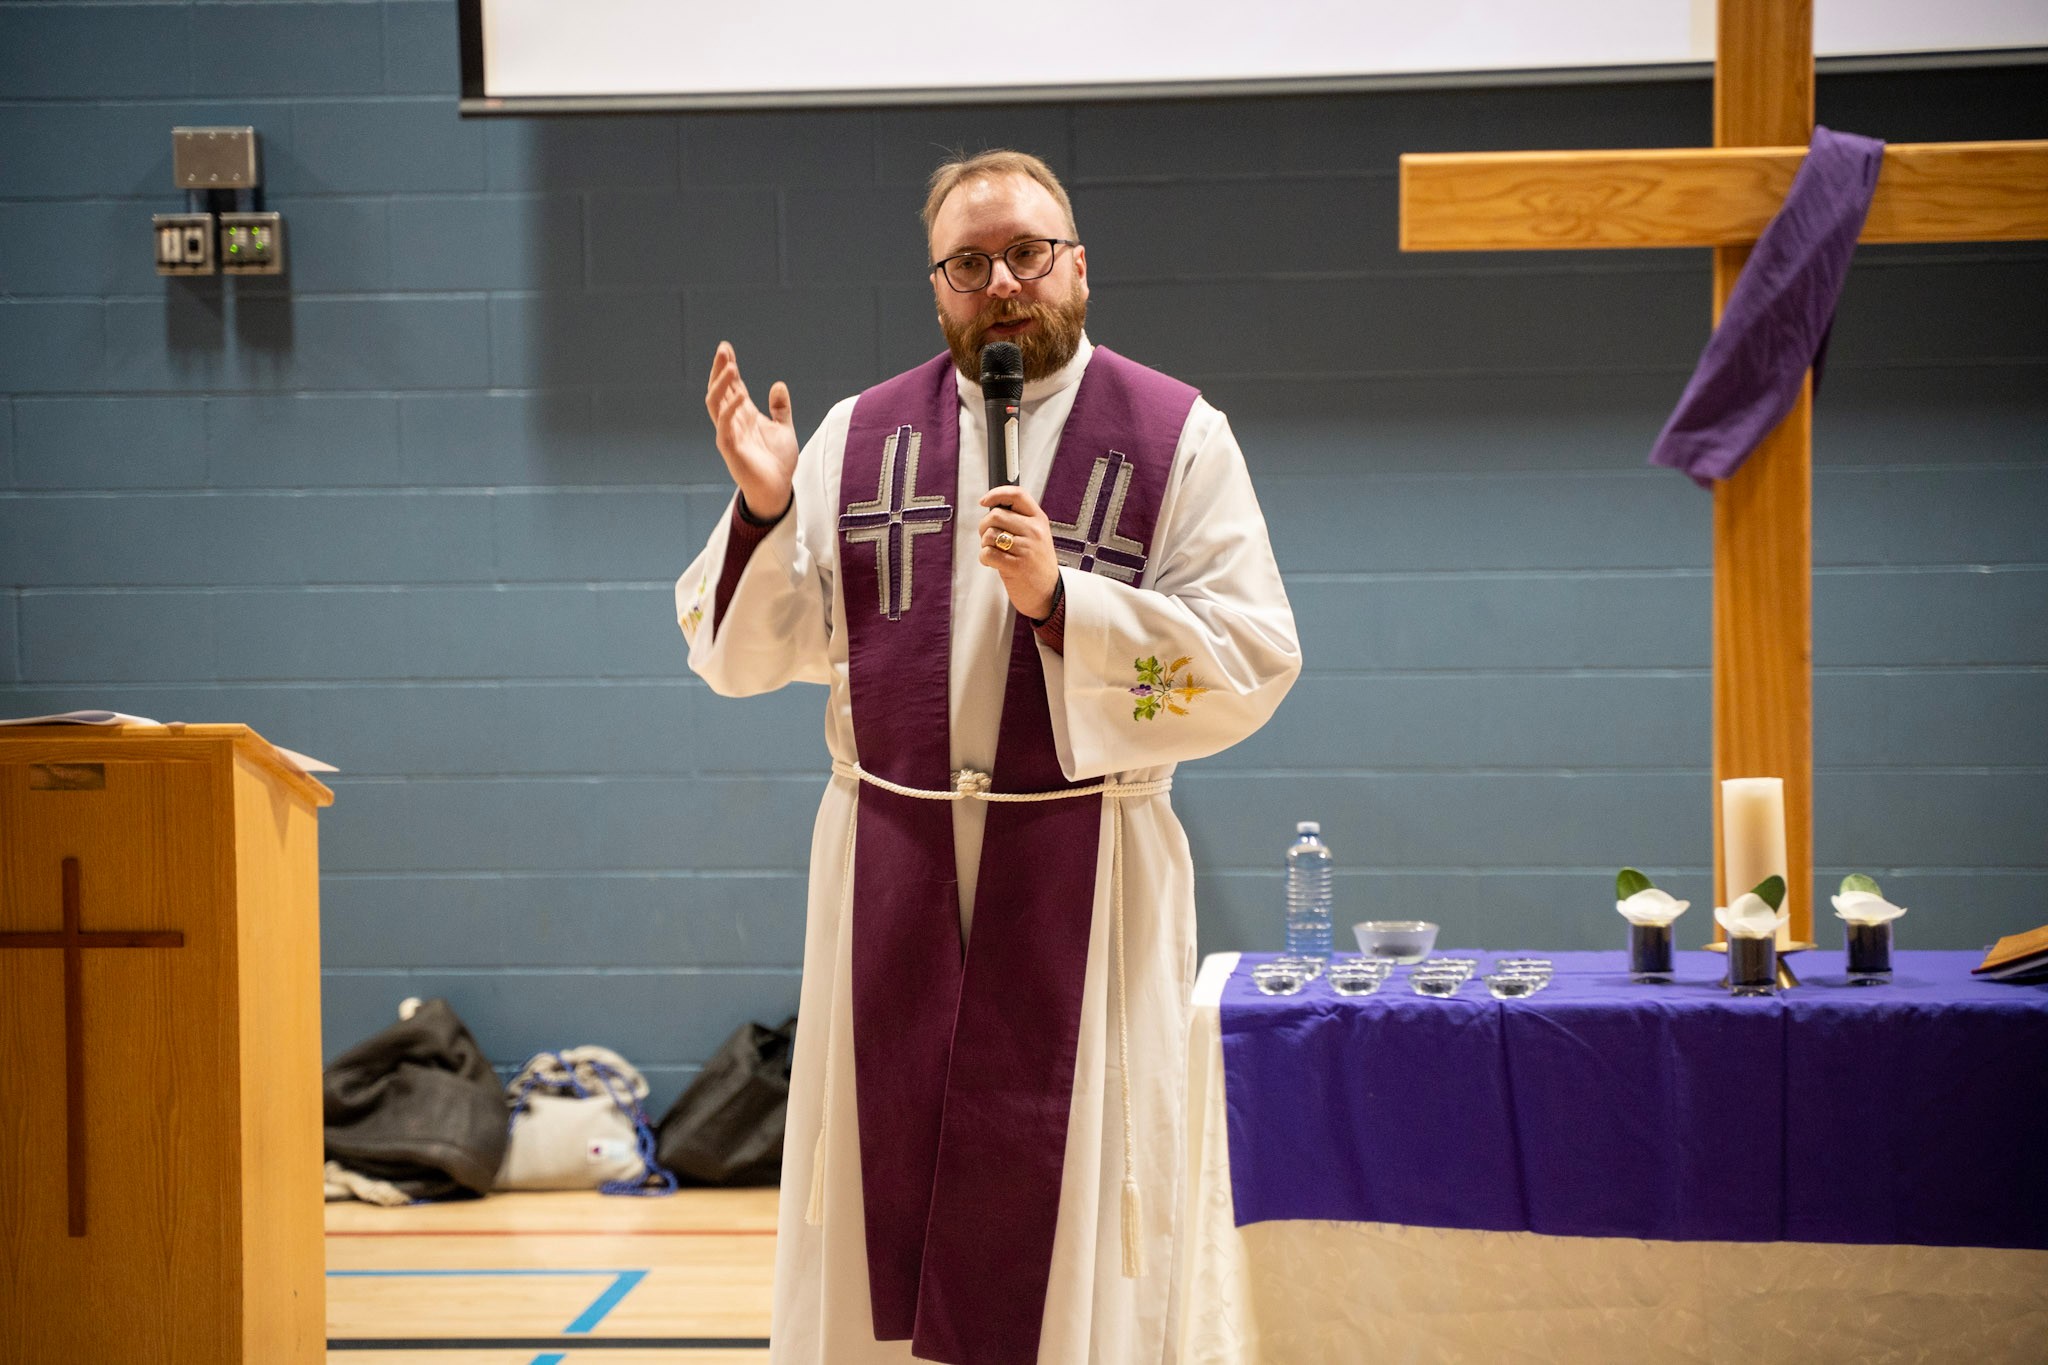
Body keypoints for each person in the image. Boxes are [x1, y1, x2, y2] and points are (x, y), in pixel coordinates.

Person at [676, 149, 1299, 1365]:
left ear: (1077, 265)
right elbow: (746, 656)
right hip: (889, 867)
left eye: (1026, 252)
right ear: (937, 287)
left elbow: (1252, 655)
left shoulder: (1177, 434)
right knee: (876, 1186)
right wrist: (763, 512)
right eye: (968, 262)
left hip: (1086, 869)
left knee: (1077, 1207)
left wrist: (1066, 601)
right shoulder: (857, 437)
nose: (1001, 281)